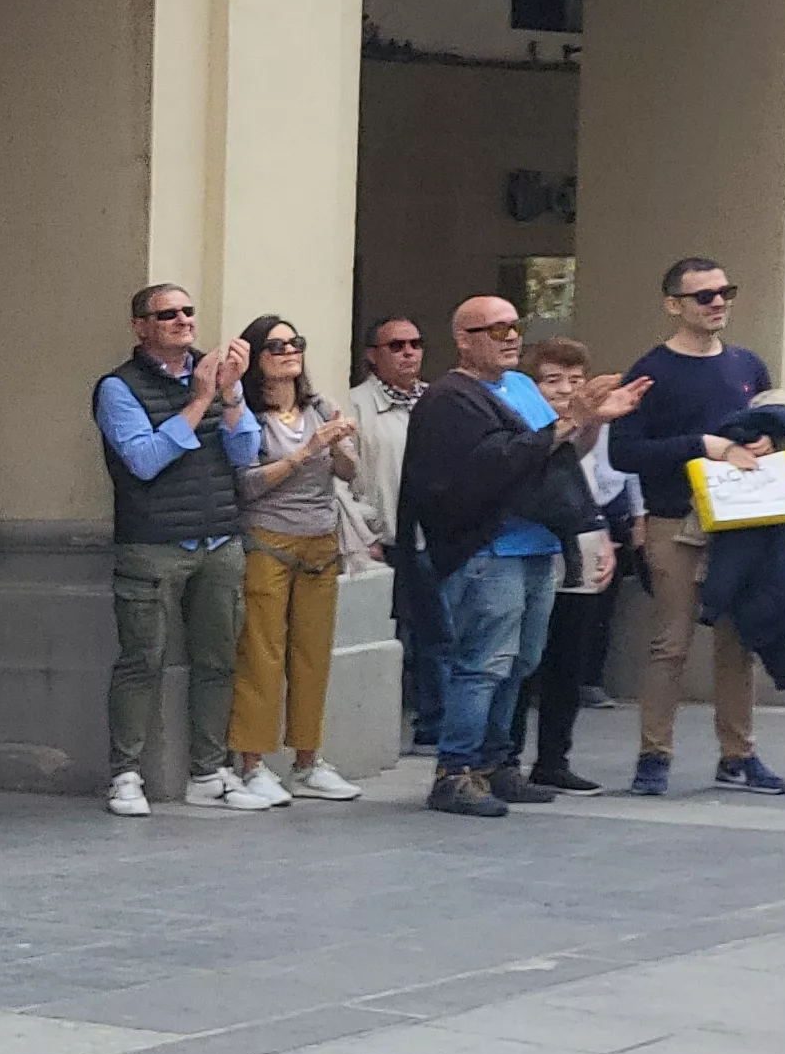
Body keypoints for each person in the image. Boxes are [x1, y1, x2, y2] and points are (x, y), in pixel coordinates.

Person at [402, 296, 629, 818]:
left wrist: (588, 421)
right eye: (496, 328)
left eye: (515, 326)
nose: (510, 336)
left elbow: (558, 456)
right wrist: (571, 418)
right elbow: (495, 464)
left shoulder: (523, 387)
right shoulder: (448, 398)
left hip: (538, 546)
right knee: (483, 665)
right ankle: (454, 773)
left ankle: (496, 765)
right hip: (490, 550)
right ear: (464, 338)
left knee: (520, 664)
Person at [615, 255, 785, 797]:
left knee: (738, 638)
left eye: (725, 292)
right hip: (676, 522)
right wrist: (702, 446)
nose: (718, 303)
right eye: (704, 296)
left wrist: (766, 443)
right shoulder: (652, 371)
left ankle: (738, 755)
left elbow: (766, 426)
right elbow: (624, 451)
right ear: (674, 305)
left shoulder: (746, 365)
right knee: (672, 641)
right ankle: (654, 755)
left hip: (740, 521)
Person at [93, 283, 261, 815]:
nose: (184, 320)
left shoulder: (214, 378)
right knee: (142, 660)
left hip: (219, 537)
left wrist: (231, 396)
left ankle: (209, 773)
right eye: (168, 314)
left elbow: (245, 452)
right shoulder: (118, 388)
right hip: (152, 545)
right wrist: (202, 400)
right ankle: (125, 774)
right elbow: (142, 459)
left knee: (217, 660)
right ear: (141, 326)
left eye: (189, 310)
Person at [220, 314, 363, 804]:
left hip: (321, 541)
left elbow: (347, 472)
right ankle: (253, 762)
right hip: (268, 540)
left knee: (312, 655)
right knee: (262, 653)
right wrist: (308, 450)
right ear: (257, 359)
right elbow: (248, 482)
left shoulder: (319, 407)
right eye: (276, 346)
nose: (289, 352)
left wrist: (342, 445)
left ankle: (308, 759)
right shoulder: (245, 414)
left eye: (295, 343)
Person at [513, 338, 641, 795]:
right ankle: (504, 759)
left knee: (570, 653)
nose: (565, 389)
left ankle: (553, 759)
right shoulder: (522, 420)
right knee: (523, 658)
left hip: (585, 534)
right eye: (552, 380)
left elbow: (594, 479)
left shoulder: (595, 424)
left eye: (575, 380)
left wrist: (606, 534)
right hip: (533, 543)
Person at [346, 315, 439, 757]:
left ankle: (434, 723)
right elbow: (348, 478)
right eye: (397, 345)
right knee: (401, 632)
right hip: (384, 537)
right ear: (372, 355)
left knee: (439, 631)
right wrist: (365, 530)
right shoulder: (355, 406)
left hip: (437, 535)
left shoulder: (439, 400)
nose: (409, 352)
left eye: (415, 343)